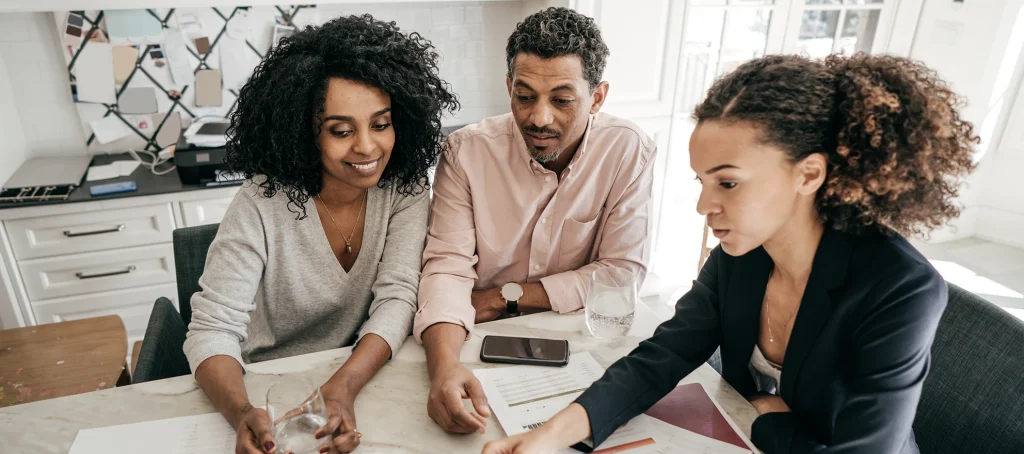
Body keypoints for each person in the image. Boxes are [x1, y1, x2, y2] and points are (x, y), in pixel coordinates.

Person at [483, 53, 978, 454]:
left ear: (808, 175)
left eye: (728, 182)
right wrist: (549, 435)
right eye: (701, 182)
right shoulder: (743, 252)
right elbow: (664, 355)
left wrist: (765, 422)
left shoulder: (900, 288)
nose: (704, 205)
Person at [182, 15, 457, 454]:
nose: (367, 147)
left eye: (381, 124)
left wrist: (343, 387)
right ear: (303, 133)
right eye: (341, 131)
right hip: (264, 385)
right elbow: (212, 330)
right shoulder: (261, 201)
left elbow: (399, 295)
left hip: (359, 373)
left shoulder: (403, 186)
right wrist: (240, 412)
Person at [413, 7, 657, 435]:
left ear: (597, 98)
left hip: (582, 345)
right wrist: (444, 368)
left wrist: (504, 296)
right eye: (524, 96)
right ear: (508, 87)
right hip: (472, 338)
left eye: (562, 100)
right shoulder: (465, 152)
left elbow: (622, 274)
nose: (539, 118)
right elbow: (446, 267)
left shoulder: (628, 151)